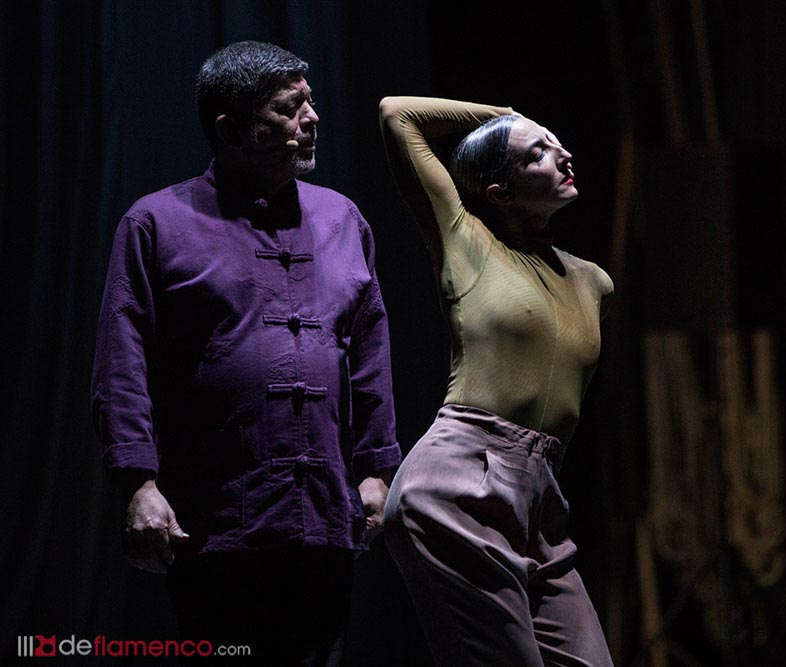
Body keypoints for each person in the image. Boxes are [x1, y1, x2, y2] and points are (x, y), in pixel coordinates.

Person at [91, 41, 401, 664]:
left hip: (324, 515)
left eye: (309, 102)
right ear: (230, 130)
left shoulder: (341, 219)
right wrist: (137, 483)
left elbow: (370, 352)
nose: (311, 119)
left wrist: (377, 470)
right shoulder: (156, 223)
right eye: (288, 109)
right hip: (214, 519)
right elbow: (122, 364)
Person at [379, 96, 614, 666]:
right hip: (462, 480)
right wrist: (504, 115)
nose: (562, 155)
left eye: (556, 143)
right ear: (499, 194)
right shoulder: (466, 243)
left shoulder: (594, 282)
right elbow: (396, 115)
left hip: (541, 498)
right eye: (537, 153)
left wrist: (527, 132)